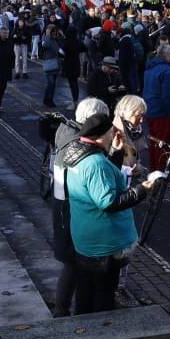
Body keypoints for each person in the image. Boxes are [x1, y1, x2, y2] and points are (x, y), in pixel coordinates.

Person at [60, 113, 162, 314]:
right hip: (104, 245)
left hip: (86, 239)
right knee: (103, 294)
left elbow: (99, 182)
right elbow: (108, 201)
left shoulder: (78, 154)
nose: (114, 133)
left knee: (85, 289)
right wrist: (143, 189)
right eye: (111, 131)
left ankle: (84, 325)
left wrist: (115, 152)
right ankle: (102, 332)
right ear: (101, 135)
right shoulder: (95, 163)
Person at [50, 98, 110, 316]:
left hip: (63, 207)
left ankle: (63, 308)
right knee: (74, 265)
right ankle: (64, 310)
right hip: (71, 213)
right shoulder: (79, 146)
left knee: (72, 264)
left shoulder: (66, 134)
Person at [143, 44, 170, 171]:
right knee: (163, 143)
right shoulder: (167, 72)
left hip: (150, 109)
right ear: (166, 55)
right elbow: (169, 96)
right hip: (162, 113)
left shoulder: (151, 68)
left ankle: (154, 167)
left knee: (154, 142)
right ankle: (160, 171)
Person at [39, 25, 64, 107]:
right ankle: (48, 100)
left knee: (52, 84)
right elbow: (46, 45)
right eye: (52, 31)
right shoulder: (46, 39)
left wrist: (61, 35)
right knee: (51, 83)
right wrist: (48, 36)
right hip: (49, 63)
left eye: (54, 31)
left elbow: (61, 44)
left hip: (55, 63)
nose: (54, 32)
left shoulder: (55, 38)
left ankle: (48, 99)